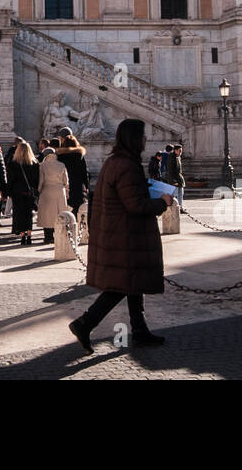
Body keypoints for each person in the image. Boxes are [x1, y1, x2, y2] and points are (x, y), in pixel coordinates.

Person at [69, 118, 174, 353]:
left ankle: (139, 330)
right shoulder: (126, 165)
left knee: (132, 283)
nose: (146, 139)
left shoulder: (115, 162)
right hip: (125, 235)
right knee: (120, 286)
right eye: (142, 135)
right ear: (133, 138)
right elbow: (135, 205)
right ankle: (84, 323)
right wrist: (162, 202)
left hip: (119, 233)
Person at [7, 140, 41, 245]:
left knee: (19, 213)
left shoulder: (13, 163)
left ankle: (22, 235)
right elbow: (37, 180)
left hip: (17, 192)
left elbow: (10, 179)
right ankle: (29, 235)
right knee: (28, 214)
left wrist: (8, 192)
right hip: (30, 192)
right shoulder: (35, 163)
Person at [37, 142, 69, 245]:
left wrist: (39, 191)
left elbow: (41, 181)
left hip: (47, 191)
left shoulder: (42, 165)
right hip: (60, 191)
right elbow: (66, 181)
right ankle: (59, 234)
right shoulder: (61, 165)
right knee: (59, 214)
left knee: (47, 215)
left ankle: (48, 237)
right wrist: (67, 192)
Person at [56, 134, 90, 227]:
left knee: (66, 207)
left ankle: (68, 227)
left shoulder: (60, 156)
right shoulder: (79, 155)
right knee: (78, 208)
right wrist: (87, 186)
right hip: (78, 184)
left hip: (65, 185)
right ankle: (78, 227)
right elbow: (84, 172)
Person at [166, 143, 186, 213]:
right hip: (174, 179)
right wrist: (174, 181)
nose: (181, 152)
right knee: (175, 194)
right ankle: (172, 208)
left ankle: (180, 208)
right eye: (180, 151)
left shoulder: (178, 157)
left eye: (181, 151)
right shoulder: (171, 157)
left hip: (179, 178)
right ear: (175, 150)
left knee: (181, 193)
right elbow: (170, 170)